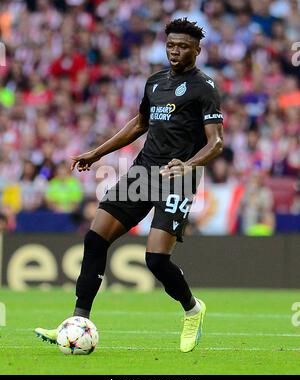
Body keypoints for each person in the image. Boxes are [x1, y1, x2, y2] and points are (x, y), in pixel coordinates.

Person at [35, 18, 224, 353]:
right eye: (170, 45)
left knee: (155, 260)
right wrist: (96, 152)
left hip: (179, 179)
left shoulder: (204, 87)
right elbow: (139, 124)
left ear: (197, 49)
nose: (175, 52)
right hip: (143, 174)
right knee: (95, 239)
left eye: (182, 46)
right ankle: (78, 322)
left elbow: (217, 143)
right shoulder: (154, 82)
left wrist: (189, 164)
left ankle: (193, 309)